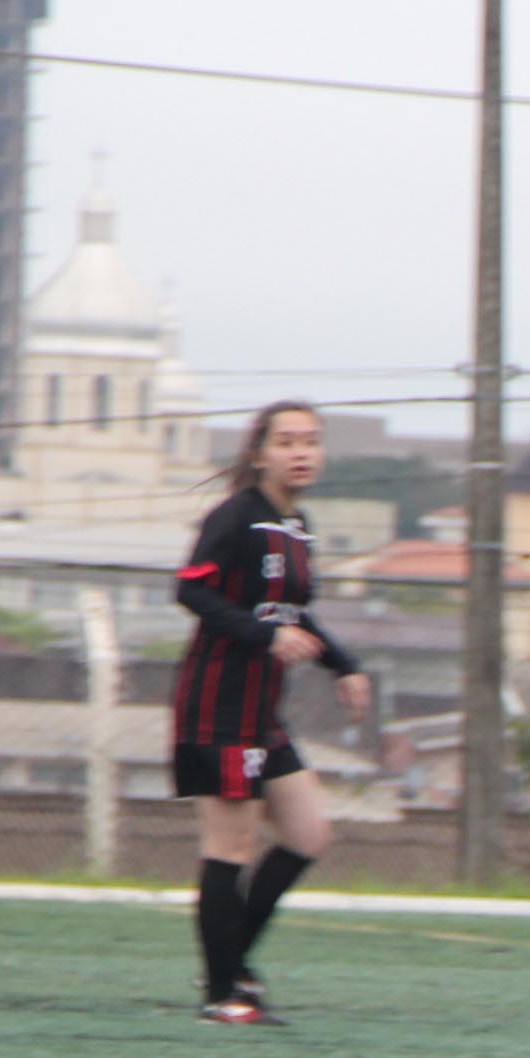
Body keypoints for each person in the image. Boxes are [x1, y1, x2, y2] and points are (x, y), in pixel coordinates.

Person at [169, 400, 368, 1024]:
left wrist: (344, 664)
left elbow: (290, 612)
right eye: (287, 442)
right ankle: (221, 993)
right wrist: (264, 637)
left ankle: (231, 963)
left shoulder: (297, 524)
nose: (301, 452)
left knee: (310, 835)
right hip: (217, 708)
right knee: (230, 844)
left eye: (311, 441)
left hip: (262, 713)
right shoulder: (234, 517)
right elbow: (191, 589)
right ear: (260, 453)